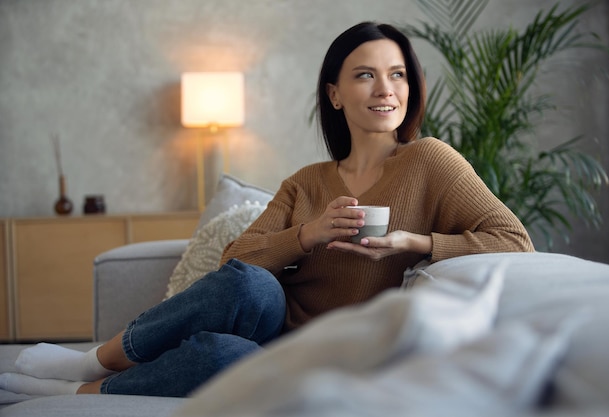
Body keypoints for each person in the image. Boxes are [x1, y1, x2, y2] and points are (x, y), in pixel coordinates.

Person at [0, 21, 534, 398]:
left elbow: (515, 240)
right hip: (270, 321)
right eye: (365, 75)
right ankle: (98, 355)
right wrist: (308, 234)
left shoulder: (430, 160)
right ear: (335, 93)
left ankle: (84, 386)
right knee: (249, 284)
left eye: (398, 74)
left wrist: (413, 244)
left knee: (220, 356)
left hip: (325, 353)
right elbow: (233, 264)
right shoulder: (306, 182)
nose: (386, 89)